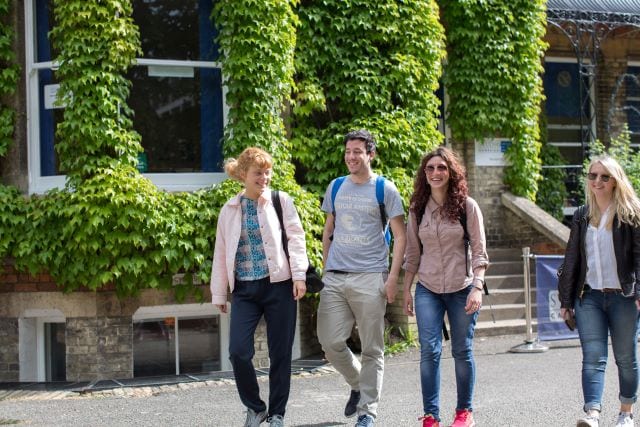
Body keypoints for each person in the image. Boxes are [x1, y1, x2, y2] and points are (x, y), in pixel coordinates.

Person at [210, 147, 308, 427]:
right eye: (258, 173)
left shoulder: (281, 200)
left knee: (281, 354)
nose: (264, 178)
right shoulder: (228, 210)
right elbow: (221, 252)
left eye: (267, 172)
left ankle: (277, 414)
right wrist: (219, 291)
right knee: (238, 352)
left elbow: (296, 239)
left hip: (279, 286)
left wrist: (299, 276)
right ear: (243, 175)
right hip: (245, 290)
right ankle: (255, 407)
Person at [317, 129, 407, 427]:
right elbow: (328, 230)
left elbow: (401, 236)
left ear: (371, 154)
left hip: (371, 277)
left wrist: (392, 277)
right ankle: (357, 383)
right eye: (348, 152)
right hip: (336, 277)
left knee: (372, 348)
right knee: (330, 342)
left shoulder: (385, 189)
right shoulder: (336, 186)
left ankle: (367, 412)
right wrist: (326, 265)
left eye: (357, 151)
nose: (351, 157)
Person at [402, 147, 489, 427]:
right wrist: (406, 290)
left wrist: (478, 286)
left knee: (462, 350)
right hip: (427, 288)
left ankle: (464, 412)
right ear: (424, 174)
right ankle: (431, 415)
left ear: (451, 173)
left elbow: (479, 250)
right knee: (429, 350)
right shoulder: (416, 208)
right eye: (430, 168)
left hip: (461, 287)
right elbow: (412, 253)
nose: (436, 173)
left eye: (441, 168)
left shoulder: (467, 206)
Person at [558, 155, 640, 427]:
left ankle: (626, 412)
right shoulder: (582, 215)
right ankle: (592, 413)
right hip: (589, 296)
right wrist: (566, 299)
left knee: (625, 356)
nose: (597, 181)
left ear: (615, 181)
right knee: (593, 355)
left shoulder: (631, 213)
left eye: (604, 176)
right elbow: (572, 259)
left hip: (624, 297)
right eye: (593, 175)